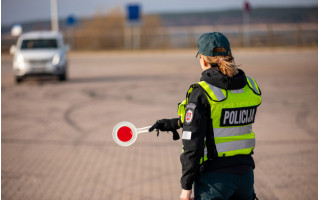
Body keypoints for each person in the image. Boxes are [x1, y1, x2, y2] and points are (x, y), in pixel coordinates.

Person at [149, 32, 261, 200]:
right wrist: (176, 123)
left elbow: (192, 144)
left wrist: (186, 187)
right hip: (245, 176)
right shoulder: (250, 86)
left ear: (202, 59)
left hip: (214, 181)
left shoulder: (202, 92)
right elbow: (222, 119)